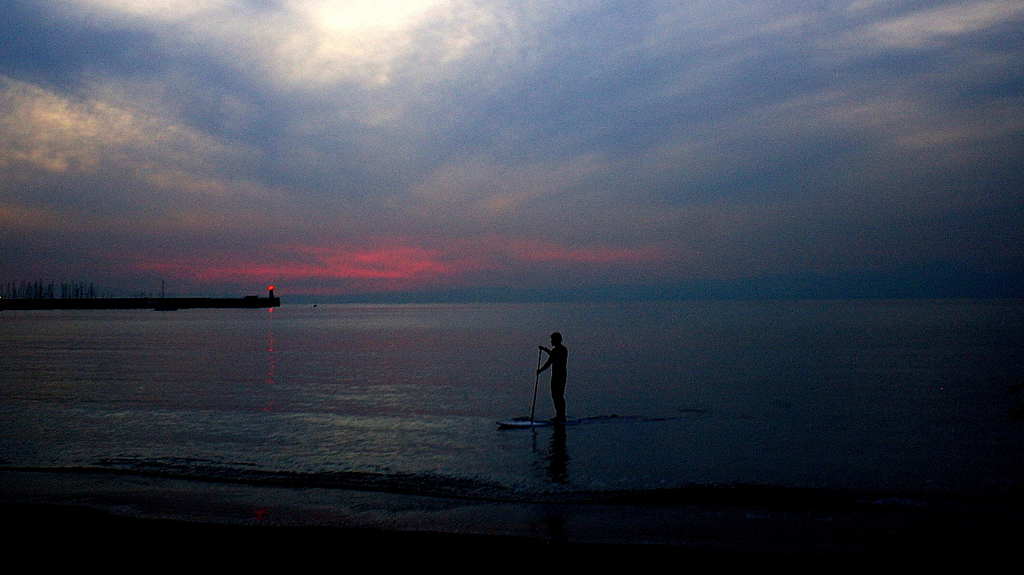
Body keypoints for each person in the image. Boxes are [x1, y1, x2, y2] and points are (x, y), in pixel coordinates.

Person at [538, 332, 568, 422]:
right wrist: (540, 370)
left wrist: (545, 349)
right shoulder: (554, 351)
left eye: (552, 340)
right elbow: (549, 362)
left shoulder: (563, 350)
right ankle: (559, 415)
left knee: (559, 395)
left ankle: (562, 416)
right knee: (554, 395)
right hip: (555, 375)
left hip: (561, 376)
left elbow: (555, 356)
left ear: (557, 340)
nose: (551, 341)